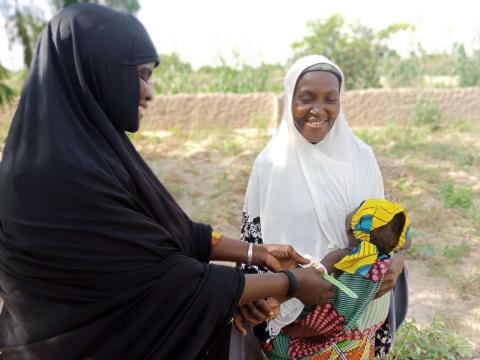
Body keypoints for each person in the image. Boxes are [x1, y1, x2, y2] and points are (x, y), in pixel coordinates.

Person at [0, 5, 336, 359]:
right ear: (98, 71)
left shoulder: (91, 151)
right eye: (141, 75)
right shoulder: (54, 175)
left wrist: (259, 254)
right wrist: (292, 283)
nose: (149, 93)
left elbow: (165, 231)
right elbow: (167, 281)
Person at [234, 55, 408, 359]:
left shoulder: (360, 157)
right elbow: (253, 246)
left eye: (331, 99)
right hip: (293, 322)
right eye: (306, 98)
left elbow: (386, 228)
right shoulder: (271, 164)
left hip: (357, 321)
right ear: (290, 100)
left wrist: (399, 259)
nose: (318, 110)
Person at [263, 199, 412, 359]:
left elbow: (312, 277)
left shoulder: (343, 256)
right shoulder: (387, 261)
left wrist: (278, 298)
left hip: (329, 340)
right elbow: (406, 242)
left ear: (351, 226)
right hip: (360, 339)